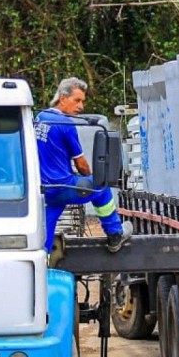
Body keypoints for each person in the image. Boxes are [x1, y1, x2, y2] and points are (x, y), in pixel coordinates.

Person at [36, 77, 133, 253]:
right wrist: (88, 177)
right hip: (62, 185)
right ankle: (115, 234)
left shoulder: (40, 118)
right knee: (100, 188)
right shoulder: (66, 124)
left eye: (83, 101)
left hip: (45, 189)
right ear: (63, 98)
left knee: (47, 226)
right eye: (77, 100)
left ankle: (44, 258)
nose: (81, 106)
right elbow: (81, 164)